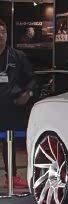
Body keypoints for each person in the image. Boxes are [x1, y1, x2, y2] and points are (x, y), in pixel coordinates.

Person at [0, 18, 35, 189]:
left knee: (10, 142)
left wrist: (28, 93)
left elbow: (31, 79)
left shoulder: (17, 56)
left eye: (3, 32)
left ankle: (11, 176)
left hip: (10, 106)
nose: (1, 35)